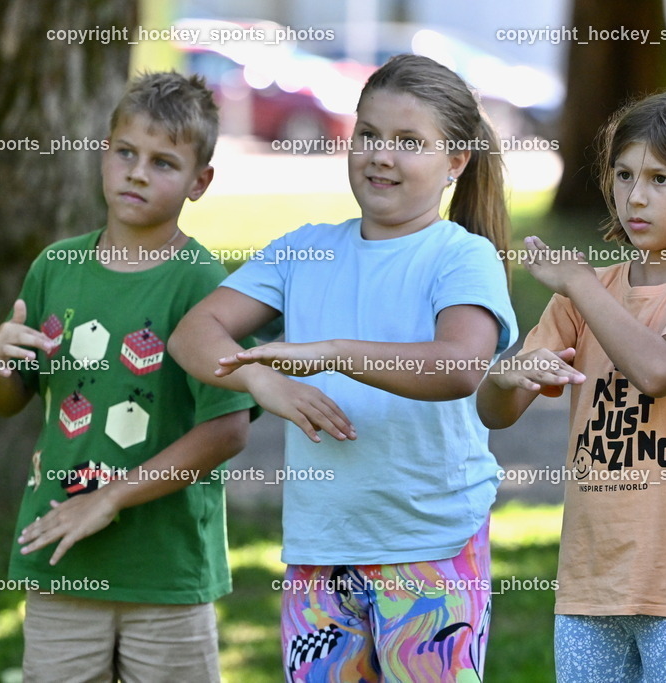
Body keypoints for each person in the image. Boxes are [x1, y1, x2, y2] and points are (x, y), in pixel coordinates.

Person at [169, 54, 517, 682]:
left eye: (410, 142)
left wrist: (332, 353)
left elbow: (461, 365)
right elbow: (193, 333)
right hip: (321, 549)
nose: (381, 156)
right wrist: (259, 380)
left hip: (431, 545)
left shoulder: (461, 255)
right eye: (369, 135)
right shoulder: (306, 249)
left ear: (456, 162)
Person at [0, 71, 255, 683]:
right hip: (60, 555)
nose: (136, 172)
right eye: (125, 153)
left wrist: (110, 498)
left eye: (162, 163)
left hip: (165, 572)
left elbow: (228, 429)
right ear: (104, 154)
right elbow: (7, 397)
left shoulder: (200, 282)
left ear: (198, 182)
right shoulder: (57, 265)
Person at [477, 91, 666, 682]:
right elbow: (497, 414)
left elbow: (657, 370)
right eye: (624, 174)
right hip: (589, 583)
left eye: (661, 179)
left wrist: (581, 286)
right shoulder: (589, 291)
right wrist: (505, 376)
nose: (635, 196)